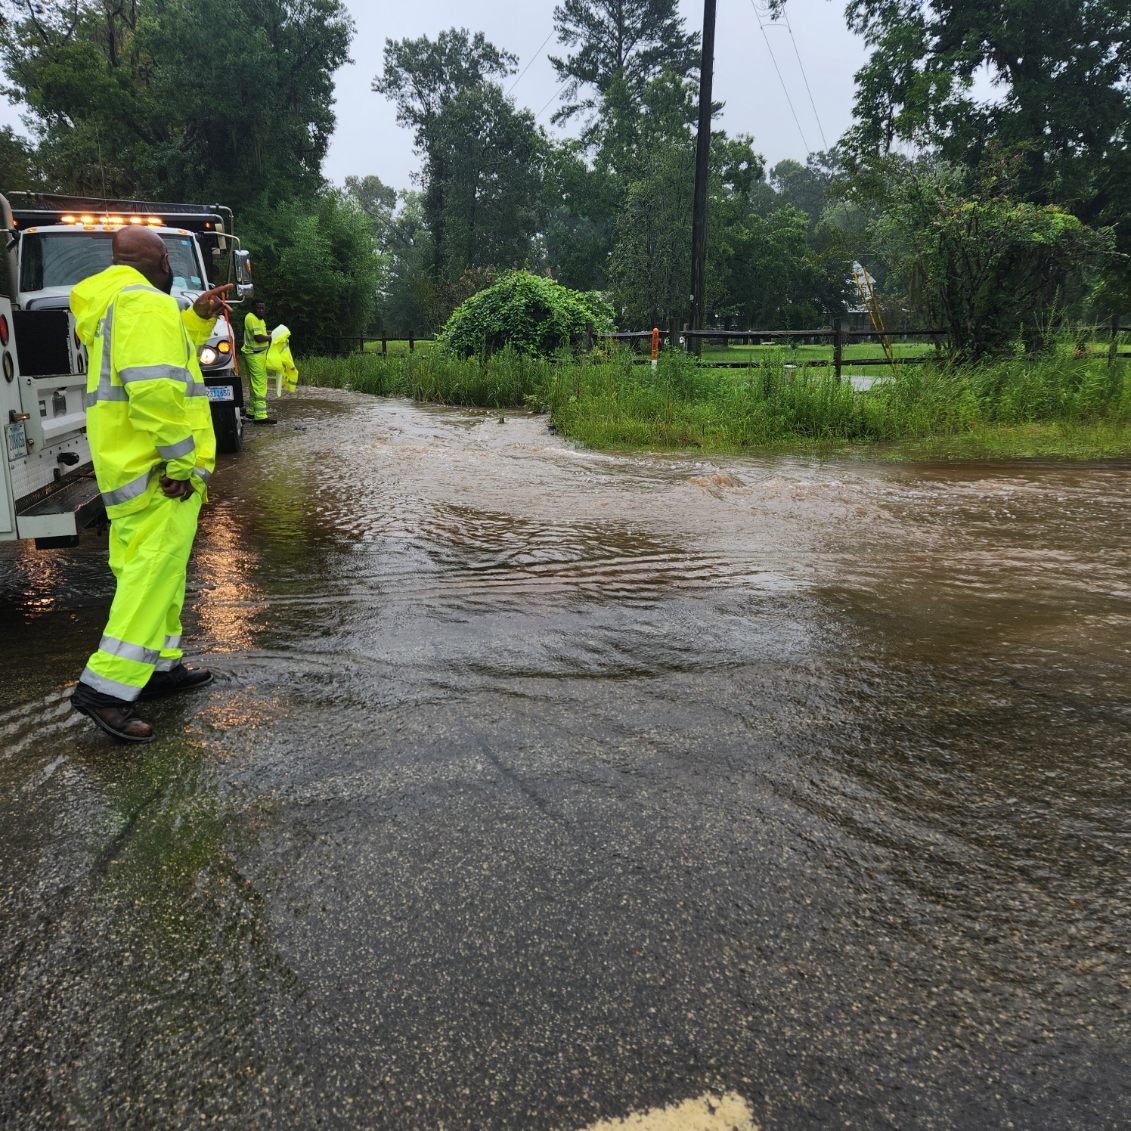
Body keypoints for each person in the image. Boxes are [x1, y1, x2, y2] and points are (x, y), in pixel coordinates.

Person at [68, 227, 231, 743]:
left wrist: (196, 319)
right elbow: (156, 393)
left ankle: (159, 668)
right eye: (168, 260)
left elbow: (156, 361)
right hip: (160, 474)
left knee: (155, 570)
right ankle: (106, 691)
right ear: (159, 260)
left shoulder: (114, 304)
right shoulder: (145, 305)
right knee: (151, 575)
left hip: (128, 464)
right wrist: (181, 466)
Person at [242, 299, 275, 423]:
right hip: (254, 355)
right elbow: (259, 337)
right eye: (258, 308)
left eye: (262, 308)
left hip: (257, 355)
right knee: (260, 384)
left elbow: (263, 333)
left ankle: (251, 412)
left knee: (253, 384)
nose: (261, 310)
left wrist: (273, 333)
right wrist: (273, 337)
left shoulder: (259, 319)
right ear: (253, 308)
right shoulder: (251, 318)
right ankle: (261, 416)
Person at [265, 323, 300, 395]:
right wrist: (291, 366)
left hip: (269, 361)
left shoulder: (277, 341)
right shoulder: (283, 342)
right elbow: (286, 358)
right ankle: (288, 388)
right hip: (279, 365)